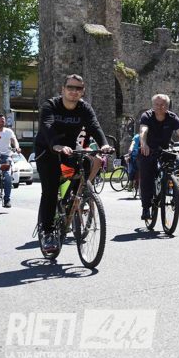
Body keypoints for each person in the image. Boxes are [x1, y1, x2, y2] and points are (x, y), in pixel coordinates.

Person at [34, 74, 112, 253]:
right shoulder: (50, 105)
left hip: (70, 149)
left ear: (83, 91)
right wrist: (56, 145)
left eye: (78, 88)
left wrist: (104, 144)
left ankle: (73, 198)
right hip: (47, 149)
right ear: (63, 89)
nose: (74, 91)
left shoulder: (84, 108)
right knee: (50, 189)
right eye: (70, 87)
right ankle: (48, 232)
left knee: (87, 163)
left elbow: (94, 125)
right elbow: (47, 126)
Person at [139, 94, 179, 220]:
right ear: (153, 105)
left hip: (164, 148)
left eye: (163, 104)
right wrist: (143, 143)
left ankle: (169, 188)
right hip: (148, 148)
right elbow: (143, 130)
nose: (160, 107)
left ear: (167, 106)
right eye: (157, 104)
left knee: (169, 167)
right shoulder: (147, 116)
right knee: (146, 175)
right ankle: (146, 207)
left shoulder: (172, 118)